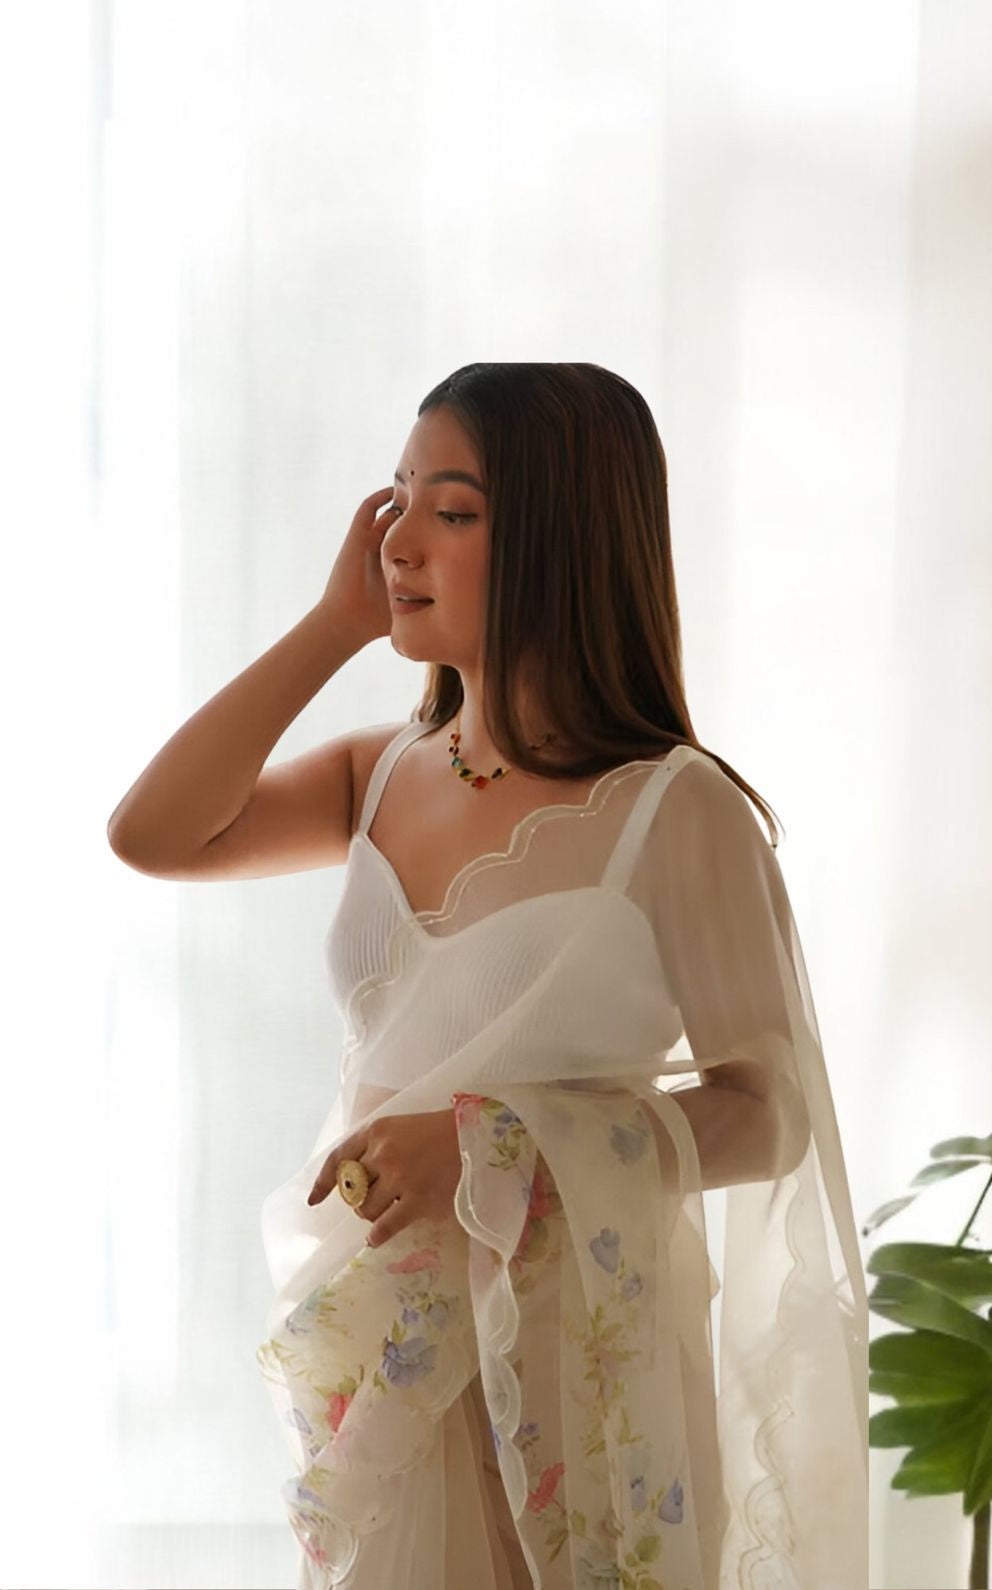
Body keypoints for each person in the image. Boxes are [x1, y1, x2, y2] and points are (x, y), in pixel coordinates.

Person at [107, 362, 868, 1589]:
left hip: (573, 1368)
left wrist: (493, 1143)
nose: (400, 538)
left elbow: (768, 1112)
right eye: (396, 499)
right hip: (384, 1349)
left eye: (451, 511)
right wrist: (331, 626)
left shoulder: (676, 814)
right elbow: (152, 834)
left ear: (560, 542)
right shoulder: (381, 773)